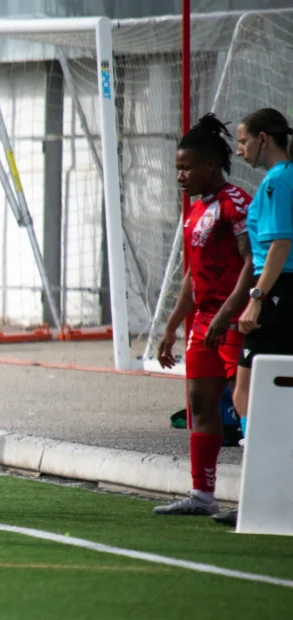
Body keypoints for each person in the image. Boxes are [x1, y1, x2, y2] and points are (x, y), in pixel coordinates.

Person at [155, 114, 254, 516]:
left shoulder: (237, 205)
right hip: (203, 323)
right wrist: (170, 328)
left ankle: (258, 495)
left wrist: (228, 311)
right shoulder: (196, 211)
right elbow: (191, 278)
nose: (180, 175)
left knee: (247, 404)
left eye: (186, 167)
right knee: (200, 403)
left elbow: (253, 263)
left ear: (211, 165)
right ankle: (202, 495)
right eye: (178, 168)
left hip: (233, 320)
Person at [220, 108, 293, 527]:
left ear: (264, 139)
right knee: (252, 391)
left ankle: (262, 493)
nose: (240, 148)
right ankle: (262, 492)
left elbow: (280, 246)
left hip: (278, 293)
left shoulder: (278, 181)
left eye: (244, 139)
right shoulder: (277, 181)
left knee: (249, 394)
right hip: (278, 291)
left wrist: (257, 298)